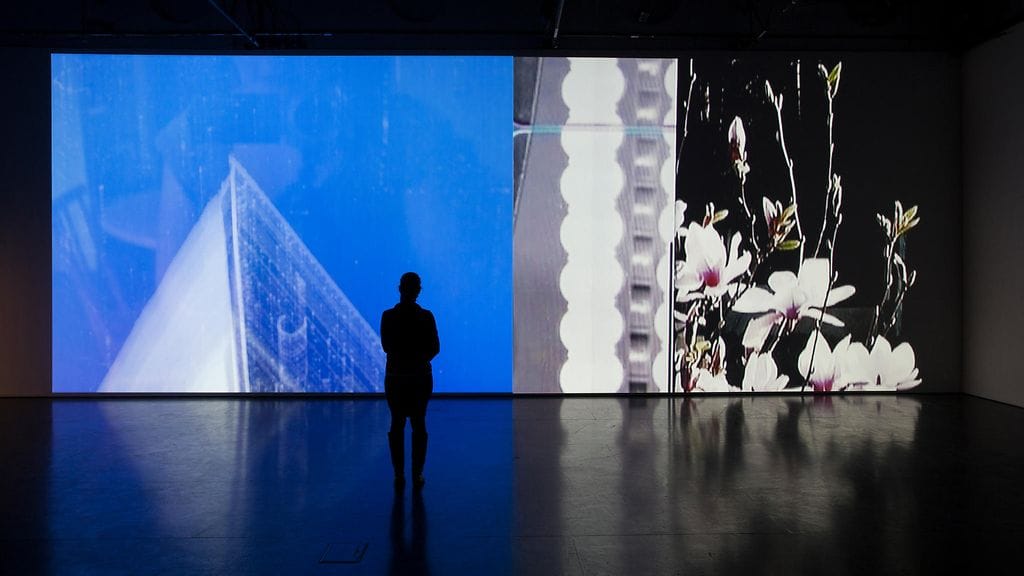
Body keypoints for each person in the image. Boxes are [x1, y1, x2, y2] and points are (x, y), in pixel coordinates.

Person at [380, 272, 439, 489]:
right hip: (420, 378)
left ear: (400, 288)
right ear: (418, 290)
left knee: (397, 423)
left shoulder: (388, 316)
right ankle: (417, 473)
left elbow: (386, 346)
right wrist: (418, 359)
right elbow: (435, 348)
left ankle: (399, 473)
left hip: (395, 377)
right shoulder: (426, 316)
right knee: (419, 423)